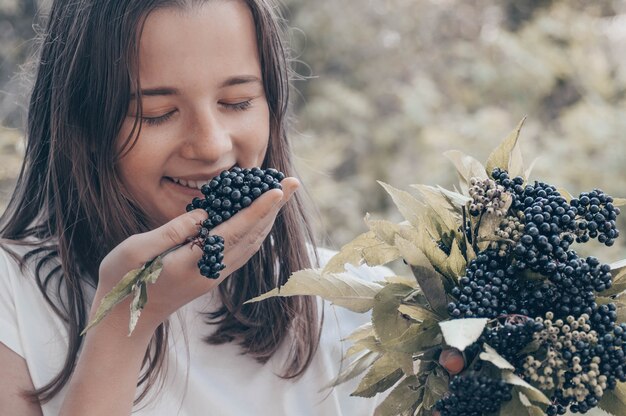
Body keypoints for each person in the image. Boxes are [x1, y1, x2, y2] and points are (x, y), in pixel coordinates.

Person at [0, 1, 394, 415]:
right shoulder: (13, 299)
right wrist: (125, 320)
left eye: (238, 102)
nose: (211, 145)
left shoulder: (362, 305)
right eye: (157, 114)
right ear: (84, 124)